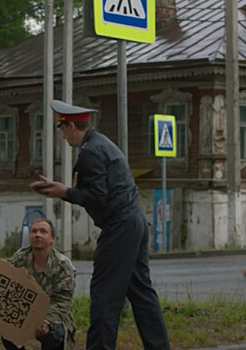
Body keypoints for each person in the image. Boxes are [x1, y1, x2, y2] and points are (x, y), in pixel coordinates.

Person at [29, 100, 170, 350]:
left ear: (72, 126)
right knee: (141, 292)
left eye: (63, 128)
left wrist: (65, 192)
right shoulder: (102, 143)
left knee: (105, 295)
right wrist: (65, 191)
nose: (62, 135)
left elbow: (98, 196)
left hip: (119, 226)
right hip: (134, 221)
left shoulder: (91, 152)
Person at [0, 218, 76, 350]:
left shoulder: (63, 266)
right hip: (25, 312)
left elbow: (62, 303)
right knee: (8, 333)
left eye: (43, 231)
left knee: (55, 336)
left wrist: (46, 322)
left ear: (52, 238)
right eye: (34, 231)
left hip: (54, 316)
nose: (38, 235)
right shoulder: (20, 258)